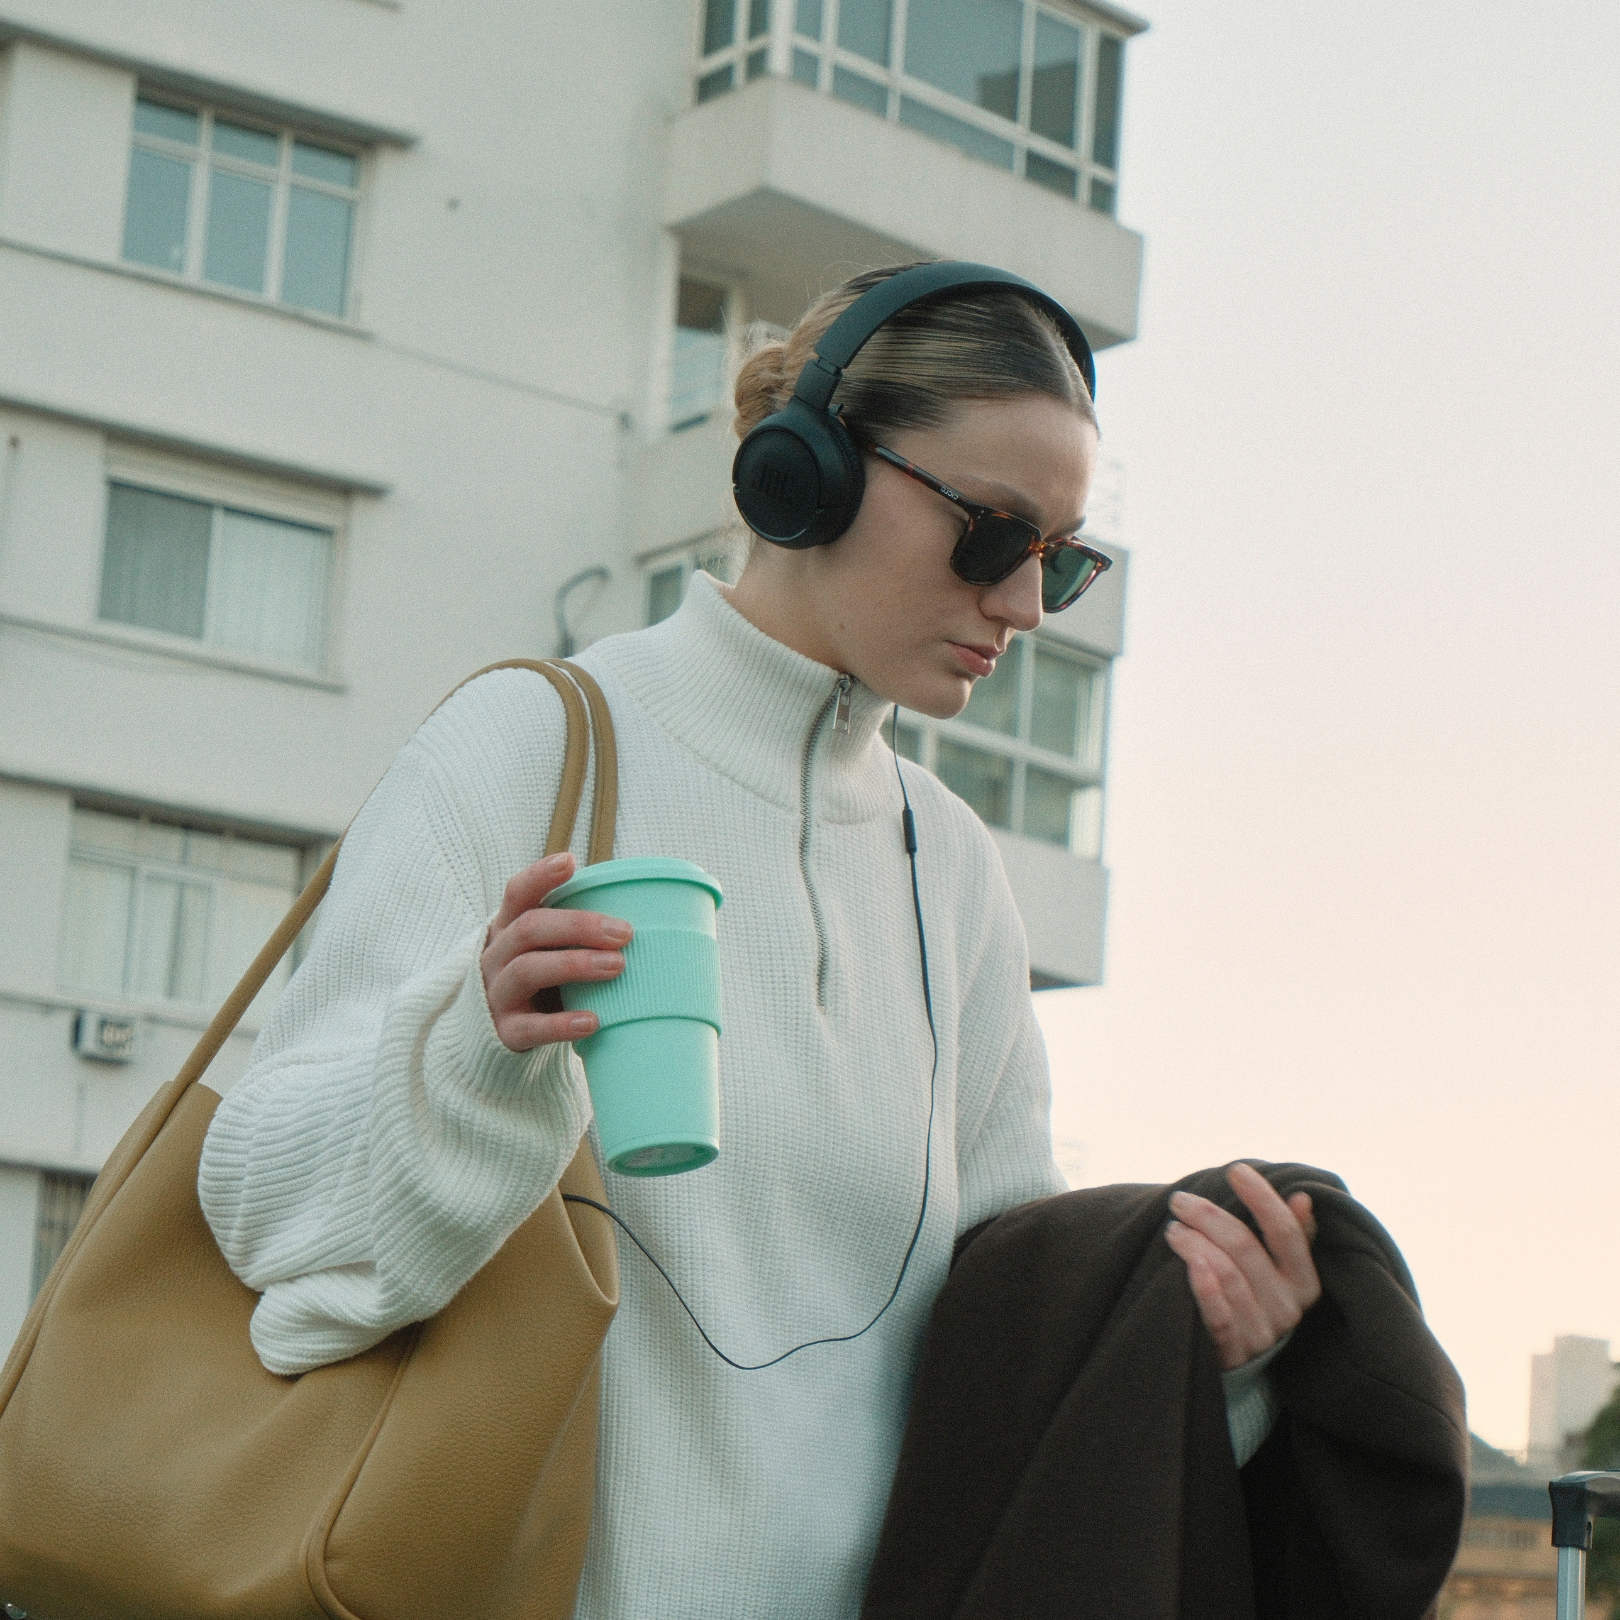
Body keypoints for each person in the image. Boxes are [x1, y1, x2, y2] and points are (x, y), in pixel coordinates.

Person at [198, 262, 1320, 1620]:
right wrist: (471, 1054)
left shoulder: (950, 870)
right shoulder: (532, 749)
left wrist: (1209, 1355)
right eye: (992, 533)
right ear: (811, 477)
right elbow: (257, 1207)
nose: (1023, 605)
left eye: (1062, 560)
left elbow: (1004, 1351)